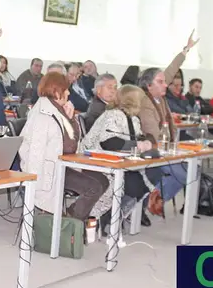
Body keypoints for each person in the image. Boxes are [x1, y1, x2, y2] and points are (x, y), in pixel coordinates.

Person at [18, 72, 108, 220]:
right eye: (65, 89)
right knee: (94, 187)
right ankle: (69, 222)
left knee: (102, 181)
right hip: (51, 168)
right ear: (55, 91)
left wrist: (71, 118)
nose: (68, 92)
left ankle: (70, 218)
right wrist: (35, 182)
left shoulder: (59, 110)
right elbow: (35, 152)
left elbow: (73, 140)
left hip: (66, 163)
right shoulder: (42, 115)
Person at [133, 31, 199, 215]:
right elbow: (153, 134)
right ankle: (149, 200)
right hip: (155, 151)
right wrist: (172, 151)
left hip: (168, 148)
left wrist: (185, 50)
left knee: (194, 171)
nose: (166, 85)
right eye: (161, 82)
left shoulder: (158, 96)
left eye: (164, 82)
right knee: (189, 176)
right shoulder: (145, 101)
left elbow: (169, 72)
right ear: (148, 85)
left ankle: (153, 199)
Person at [82, 84, 160, 229]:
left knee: (154, 172)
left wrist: (147, 141)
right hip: (95, 162)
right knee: (136, 183)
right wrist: (139, 145)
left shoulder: (133, 118)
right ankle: (106, 217)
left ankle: (113, 215)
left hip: (119, 163)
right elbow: (109, 143)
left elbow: (138, 137)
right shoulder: (113, 115)